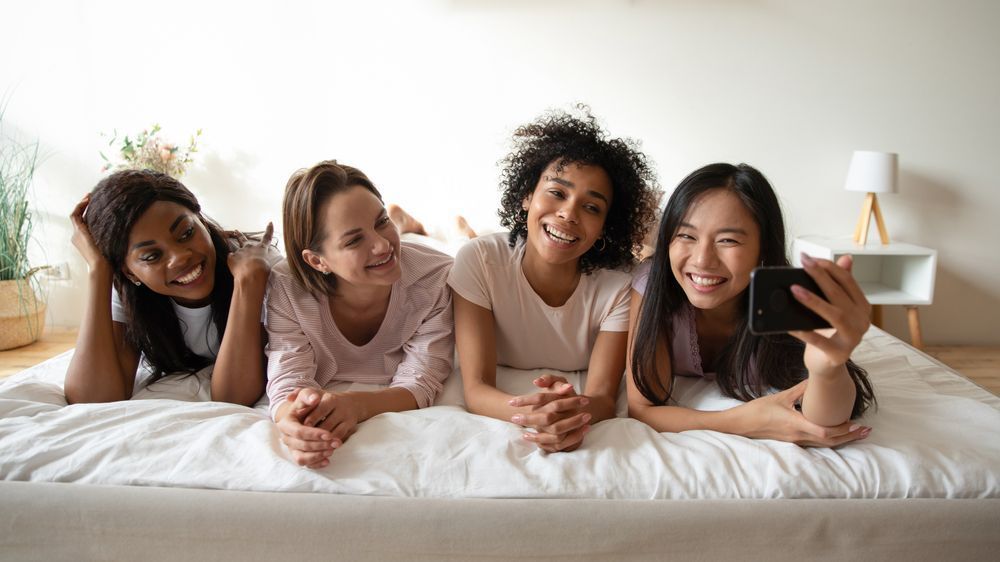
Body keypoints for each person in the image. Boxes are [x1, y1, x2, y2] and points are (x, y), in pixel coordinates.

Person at [448, 106, 660, 453]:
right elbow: (476, 388)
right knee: (467, 243)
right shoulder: (479, 260)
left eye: (591, 207)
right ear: (527, 196)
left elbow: (603, 399)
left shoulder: (621, 287)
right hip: (491, 246)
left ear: (606, 225)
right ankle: (437, 229)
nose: (568, 213)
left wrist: (570, 414)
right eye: (557, 193)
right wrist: (534, 414)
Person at [627, 163, 877, 447]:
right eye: (686, 235)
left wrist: (828, 369)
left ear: (763, 250)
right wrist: (744, 422)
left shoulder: (786, 301)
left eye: (728, 240)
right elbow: (643, 409)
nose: (702, 259)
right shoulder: (653, 285)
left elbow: (825, 422)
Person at [266, 160, 454, 469]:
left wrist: (354, 404)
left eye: (381, 221)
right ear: (317, 261)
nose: (381, 245)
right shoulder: (287, 286)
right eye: (354, 240)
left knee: (459, 246)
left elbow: (422, 380)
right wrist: (292, 422)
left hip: (426, 253)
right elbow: (288, 378)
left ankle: (421, 229)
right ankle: (407, 225)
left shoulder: (436, 275)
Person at [65, 169, 277, 405]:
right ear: (128, 272)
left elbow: (232, 397)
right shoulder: (129, 290)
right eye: (151, 256)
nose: (180, 257)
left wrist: (248, 284)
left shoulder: (257, 268)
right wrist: (98, 270)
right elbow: (90, 398)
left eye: (186, 233)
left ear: (201, 219)